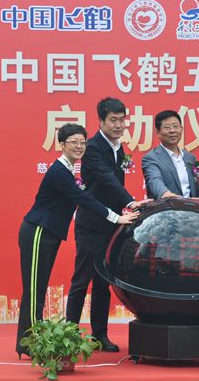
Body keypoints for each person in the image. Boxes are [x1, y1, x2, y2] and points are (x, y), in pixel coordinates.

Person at [16, 123, 138, 359]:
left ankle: (27, 343)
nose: (79, 146)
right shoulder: (59, 172)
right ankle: (30, 343)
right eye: (73, 142)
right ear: (62, 144)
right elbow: (84, 198)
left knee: (37, 290)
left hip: (49, 234)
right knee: (34, 291)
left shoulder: (69, 169)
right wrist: (117, 217)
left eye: (82, 142)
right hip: (38, 231)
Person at [66, 97, 150, 352]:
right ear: (101, 121)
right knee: (81, 282)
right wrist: (130, 202)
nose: (118, 125)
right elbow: (106, 179)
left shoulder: (118, 148)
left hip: (112, 223)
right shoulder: (92, 148)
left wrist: (125, 207)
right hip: (91, 224)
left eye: (122, 120)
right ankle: (69, 337)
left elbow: (115, 183)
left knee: (103, 281)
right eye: (113, 120)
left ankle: (99, 335)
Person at [142, 110, 199, 199]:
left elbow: (195, 188)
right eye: (167, 128)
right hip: (166, 206)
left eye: (176, 126)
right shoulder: (151, 158)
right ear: (157, 131)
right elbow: (154, 180)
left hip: (191, 207)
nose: (172, 131)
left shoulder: (190, 158)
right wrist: (165, 193)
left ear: (181, 129)